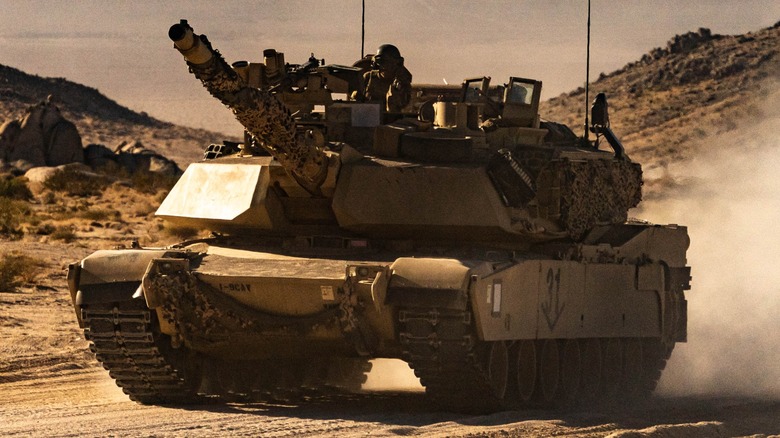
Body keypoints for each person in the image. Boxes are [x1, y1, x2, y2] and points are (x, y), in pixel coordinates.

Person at [361, 44, 412, 112]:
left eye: (390, 63)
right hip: (369, 115)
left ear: (396, 63)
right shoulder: (368, 78)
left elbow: (407, 108)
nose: (386, 66)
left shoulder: (402, 82)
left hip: (393, 117)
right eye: (382, 62)